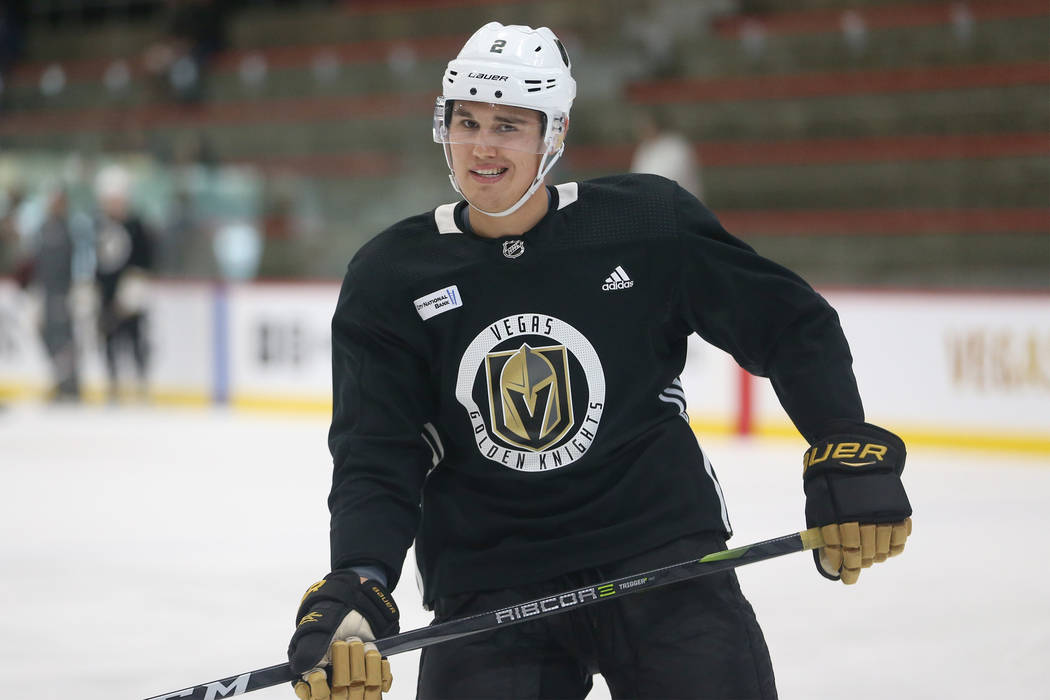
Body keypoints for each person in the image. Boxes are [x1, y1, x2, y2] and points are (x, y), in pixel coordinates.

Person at [286, 22, 913, 700]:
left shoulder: (643, 224)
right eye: (465, 121)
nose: (482, 146)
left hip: (661, 560)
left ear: (553, 135)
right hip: (492, 585)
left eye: (508, 125)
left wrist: (842, 437)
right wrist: (359, 579)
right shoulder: (391, 275)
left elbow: (790, 324)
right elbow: (377, 452)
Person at [93, 165, 154, 401]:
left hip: (131, 295)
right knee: (108, 338)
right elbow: (98, 261)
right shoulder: (99, 225)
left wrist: (135, 288)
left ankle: (141, 382)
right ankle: (113, 384)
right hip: (108, 294)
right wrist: (92, 286)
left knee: (135, 337)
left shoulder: (136, 225)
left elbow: (146, 259)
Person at [31, 187, 80, 401]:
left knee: (64, 339)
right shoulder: (42, 230)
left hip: (62, 293)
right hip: (46, 293)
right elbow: (36, 263)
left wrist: (76, 288)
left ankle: (70, 384)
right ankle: (59, 379)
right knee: (48, 338)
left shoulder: (70, 230)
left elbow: (77, 263)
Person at [630, 106, 704, 200]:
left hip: (680, 208)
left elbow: (667, 180)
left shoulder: (677, 145)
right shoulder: (644, 147)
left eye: (644, 123)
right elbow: (634, 178)